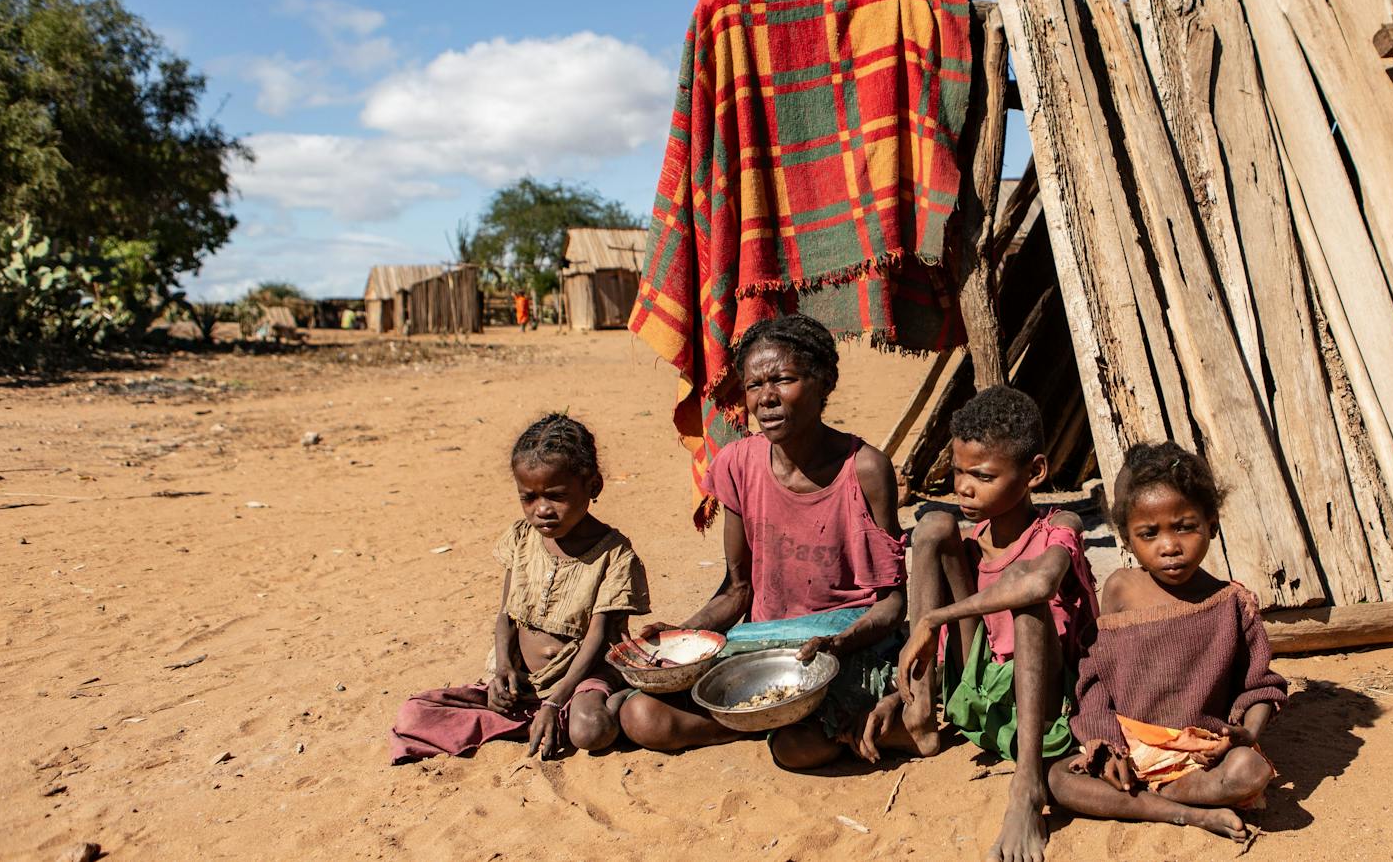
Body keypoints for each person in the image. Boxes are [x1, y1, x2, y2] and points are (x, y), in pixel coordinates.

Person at [618, 313, 912, 768]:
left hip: (844, 644)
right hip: (764, 646)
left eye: (783, 380)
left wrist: (838, 644)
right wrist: (683, 637)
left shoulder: (865, 470)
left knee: (796, 749)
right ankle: (761, 719)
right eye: (754, 385)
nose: (766, 398)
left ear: (824, 382)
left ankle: (778, 722)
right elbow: (738, 589)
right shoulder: (739, 464)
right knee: (641, 717)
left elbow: (892, 603)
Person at [882, 385, 1097, 862]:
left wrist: (934, 618)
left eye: (983, 475)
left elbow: (1039, 584)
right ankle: (919, 714)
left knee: (1025, 593)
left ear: (1034, 472)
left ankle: (1027, 786)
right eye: (959, 471)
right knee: (933, 527)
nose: (964, 487)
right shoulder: (973, 541)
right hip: (980, 686)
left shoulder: (1061, 525)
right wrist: (901, 689)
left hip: (1043, 700)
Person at [1045, 441, 1287, 846]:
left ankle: (1163, 797)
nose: (1169, 545)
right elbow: (1096, 676)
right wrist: (1106, 745)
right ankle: (1184, 812)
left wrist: (1246, 732)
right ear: (1127, 539)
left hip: (1201, 756)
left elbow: (1261, 686)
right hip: (1129, 748)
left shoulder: (1231, 603)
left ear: (1212, 524)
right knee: (1058, 779)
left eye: (1185, 526)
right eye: (1149, 534)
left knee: (1250, 772)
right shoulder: (1120, 590)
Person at [388, 413, 649, 762]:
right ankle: (541, 720)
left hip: (582, 678)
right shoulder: (522, 539)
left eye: (556, 496)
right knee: (413, 714)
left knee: (590, 730)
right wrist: (503, 669)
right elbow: (506, 615)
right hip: (525, 681)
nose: (542, 510)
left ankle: (608, 702)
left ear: (593, 486)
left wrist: (555, 700)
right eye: (529, 497)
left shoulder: (614, 554)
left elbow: (597, 638)